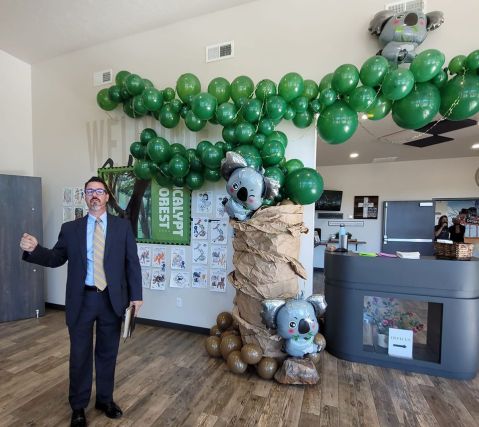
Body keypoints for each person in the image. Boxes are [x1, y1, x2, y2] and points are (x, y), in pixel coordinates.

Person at [20, 177, 143, 427]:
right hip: (81, 300)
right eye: (89, 191)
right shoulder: (71, 229)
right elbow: (56, 258)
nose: (94, 195)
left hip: (111, 300)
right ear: (84, 197)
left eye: (99, 191)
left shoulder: (122, 227)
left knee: (107, 354)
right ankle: (78, 407)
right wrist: (35, 250)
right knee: (79, 356)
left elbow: (132, 263)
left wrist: (136, 295)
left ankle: (105, 400)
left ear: (107, 196)